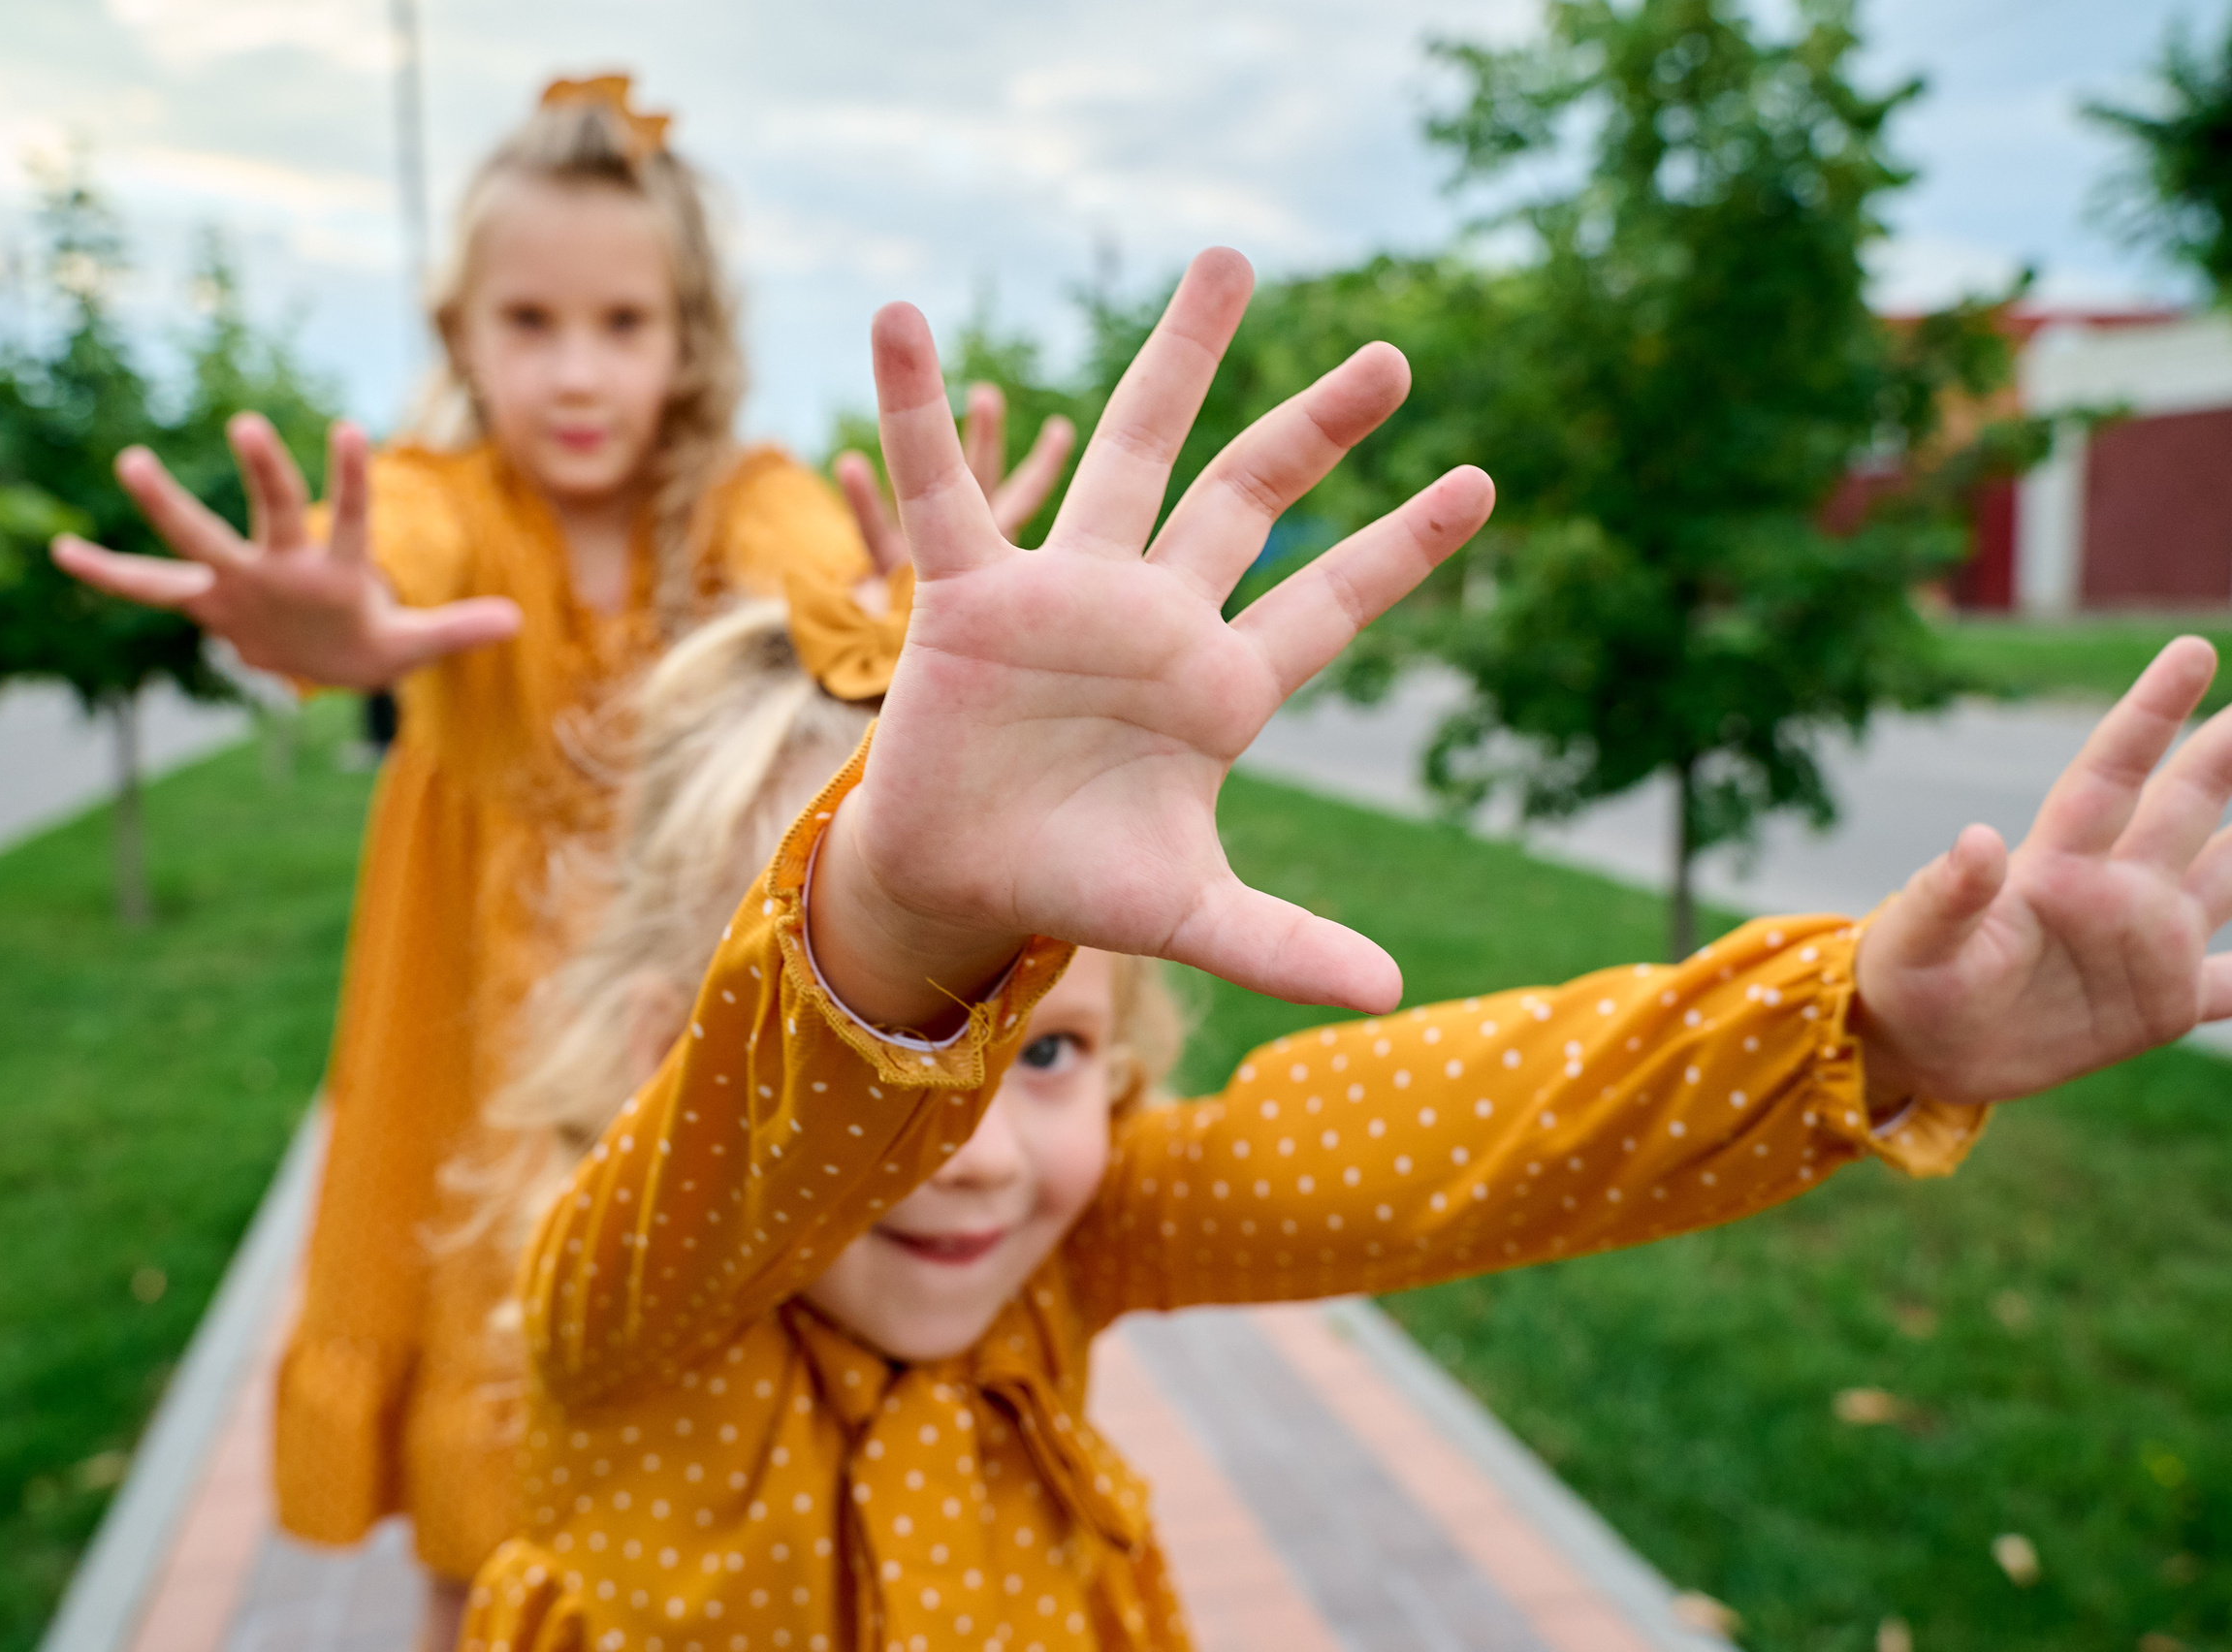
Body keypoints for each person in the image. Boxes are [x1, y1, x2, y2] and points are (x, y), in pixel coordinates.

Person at [458, 248, 2232, 1652]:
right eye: (950, 1043)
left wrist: (1856, 1031)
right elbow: (751, 1142)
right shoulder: (625, 1315)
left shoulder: (1071, 1245)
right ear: (644, 1054)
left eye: (1047, 1048)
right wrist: (907, 922)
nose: (980, 1148)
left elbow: (1461, 1132)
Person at [48, 74, 1071, 1642]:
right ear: (463, 335)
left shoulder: (742, 497)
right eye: (530, 323)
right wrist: (336, 617)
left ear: (689, 338)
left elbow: (820, 583)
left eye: (623, 323)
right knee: (484, 1439)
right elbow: (399, 553)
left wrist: (892, 615)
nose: (578, 373)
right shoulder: (450, 495)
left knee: (706, 1433)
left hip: (679, 1025)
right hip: (475, 1040)